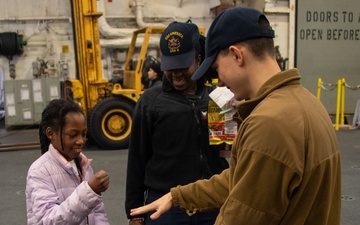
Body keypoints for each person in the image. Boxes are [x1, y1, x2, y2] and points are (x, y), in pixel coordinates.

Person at [130, 7, 341, 225]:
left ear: (236, 55)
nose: (219, 81)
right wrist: (177, 197)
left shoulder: (268, 122)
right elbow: (241, 178)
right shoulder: (308, 103)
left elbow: (242, 215)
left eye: (217, 67)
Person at [125, 21, 229, 225]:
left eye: (183, 66)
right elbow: (137, 159)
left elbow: (226, 152)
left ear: (198, 59)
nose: (177, 74)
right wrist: (135, 212)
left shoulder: (217, 98)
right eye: (170, 68)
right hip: (166, 208)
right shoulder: (151, 102)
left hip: (211, 202)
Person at [26, 98, 110, 225]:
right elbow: (49, 220)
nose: (80, 141)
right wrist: (89, 192)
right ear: (50, 133)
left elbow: (98, 213)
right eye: (72, 135)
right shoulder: (39, 170)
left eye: (84, 134)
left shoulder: (84, 165)